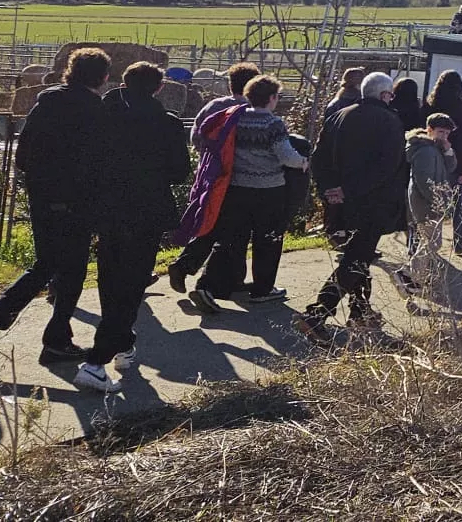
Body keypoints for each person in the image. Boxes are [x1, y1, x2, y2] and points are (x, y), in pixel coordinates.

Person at [0, 48, 111, 362]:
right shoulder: (94, 110)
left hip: (42, 194)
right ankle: (55, 338)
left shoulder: (46, 101)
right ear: (103, 77)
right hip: (76, 199)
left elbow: (25, 147)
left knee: (46, 264)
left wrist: (34, 180)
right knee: (71, 271)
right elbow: (99, 161)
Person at [75, 62, 190, 392]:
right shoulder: (164, 122)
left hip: (106, 207)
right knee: (133, 283)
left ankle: (124, 344)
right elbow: (179, 172)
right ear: (158, 88)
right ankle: (96, 361)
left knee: (110, 277)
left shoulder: (101, 115)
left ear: (123, 82)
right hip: (146, 208)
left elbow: (87, 161)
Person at [296, 72, 406, 345]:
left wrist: (329, 189)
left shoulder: (338, 115)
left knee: (358, 254)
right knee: (356, 259)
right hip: (372, 202)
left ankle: (360, 310)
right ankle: (317, 313)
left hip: (339, 203)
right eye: (390, 94)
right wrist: (349, 189)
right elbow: (386, 167)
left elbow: (318, 157)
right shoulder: (390, 121)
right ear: (384, 95)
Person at [190, 74, 307, 311]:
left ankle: (216, 284)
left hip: (237, 187)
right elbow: (285, 155)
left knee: (233, 238)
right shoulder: (273, 123)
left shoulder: (237, 119)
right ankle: (262, 288)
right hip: (268, 189)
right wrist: (302, 162)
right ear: (273, 98)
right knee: (267, 240)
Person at [169, 61, 259, 292]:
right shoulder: (252, 112)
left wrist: (208, 157)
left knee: (211, 221)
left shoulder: (214, 106)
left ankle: (227, 276)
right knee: (234, 229)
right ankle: (195, 271)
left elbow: (196, 137)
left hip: (210, 174)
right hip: (239, 177)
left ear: (230, 85)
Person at [403, 113, 458, 293]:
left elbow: (449, 168)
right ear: (429, 130)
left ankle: (416, 277)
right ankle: (409, 276)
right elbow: (424, 179)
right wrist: (437, 201)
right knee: (432, 242)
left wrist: (449, 151)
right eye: (441, 132)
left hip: (432, 201)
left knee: (430, 242)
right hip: (425, 202)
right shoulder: (425, 150)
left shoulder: (436, 148)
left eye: (447, 133)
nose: (444, 136)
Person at [424, 69, 462, 252]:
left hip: (431, 158)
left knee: (430, 201)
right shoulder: (460, 110)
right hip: (453, 160)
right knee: (457, 201)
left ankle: (426, 241)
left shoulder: (430, 107)